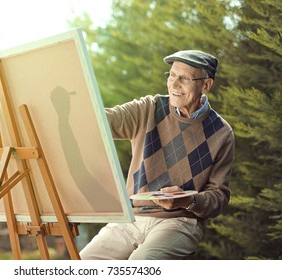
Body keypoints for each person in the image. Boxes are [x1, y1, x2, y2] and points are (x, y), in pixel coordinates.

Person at [80, 50, 235, 260]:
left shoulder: (221, 132)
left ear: (205, 85)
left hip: (180, 222)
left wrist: (188, 201)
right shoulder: (149, 108)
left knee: (142, 264)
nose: (174, 84)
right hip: (132, 219)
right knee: (82, 263)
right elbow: (102, 120)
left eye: (184, 78)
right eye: (171, 75)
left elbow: (218, 197)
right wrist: (73, 103)